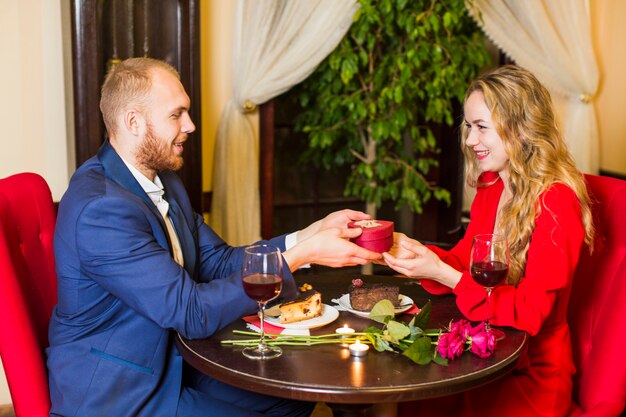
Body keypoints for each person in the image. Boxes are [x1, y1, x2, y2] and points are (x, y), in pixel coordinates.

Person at [46, 57, 381, 417]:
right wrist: (298, 259)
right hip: (119, 390)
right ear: (133, 122)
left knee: (292, 400)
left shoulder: (164, 180)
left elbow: (216, 260)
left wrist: (308, 235)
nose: (190, 125)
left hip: (174, 358)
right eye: (176, 115)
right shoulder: (100, 209)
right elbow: (190, 311)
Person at [383, 65, 594, 417]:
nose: (469, 140)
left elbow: (529, 314)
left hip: (530, 373)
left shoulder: (557, 203)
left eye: (482, 127)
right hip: (485, 351)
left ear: (522, 127)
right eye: (469, 126)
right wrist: (417, 255)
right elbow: (465, 262)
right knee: (413, 399)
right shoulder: (492, 185)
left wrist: (443, 274)